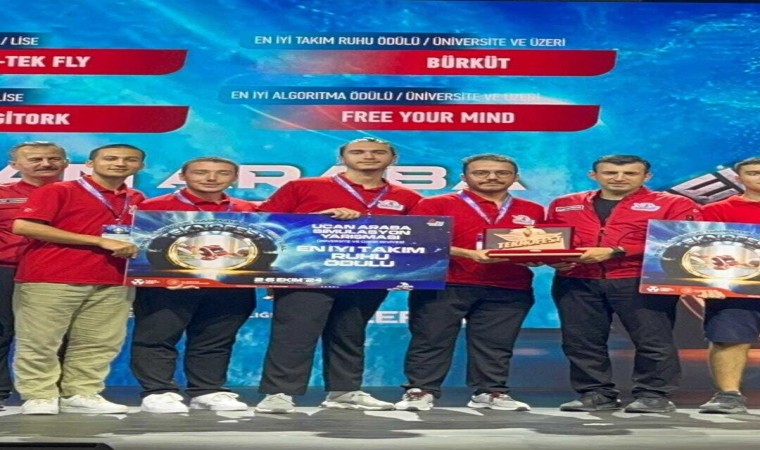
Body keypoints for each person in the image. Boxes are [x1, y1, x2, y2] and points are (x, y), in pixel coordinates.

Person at [254, 137, 422, 413]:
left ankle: (344, 392)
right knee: (295, 334)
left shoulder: (408, 197)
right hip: (305, 273)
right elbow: (264, 223)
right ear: (342, 158)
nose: (368, 156)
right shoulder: (302, 187)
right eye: (358, 152)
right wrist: (316, 219)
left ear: (393, 159)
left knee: (350, 333)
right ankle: (278, 394)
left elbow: (419, 237)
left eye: (378, 152)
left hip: (368, 276)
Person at [547, 155, 701, 413]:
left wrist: (616, 251)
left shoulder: (673, 203)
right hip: (576, 280)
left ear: (647, 176)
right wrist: (553, 260)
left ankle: (654, 395)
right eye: (610, 173)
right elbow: (550, 239)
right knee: (581, 341)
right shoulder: (564, 204)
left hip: (641, 280)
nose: (619, 178)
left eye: (630, 173)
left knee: (652, 340)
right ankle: (595, 393)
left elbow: (681, 243)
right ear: (593, 175)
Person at [394, 154, 544, 411]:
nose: (492, 177)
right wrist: (468, 254)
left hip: (509, 285)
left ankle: (490, 391)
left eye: (502, 172)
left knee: (496, 343)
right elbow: (418, 242)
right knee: (431, 339)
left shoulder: (533, 209)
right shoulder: (434, 204)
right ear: (464, 177)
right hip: (444, 282)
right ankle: (420, 391)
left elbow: (543, 245)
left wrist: (540, 258)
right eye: (481, 172)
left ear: (515, 177)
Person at [12, 144, 146, 415]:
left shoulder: (137, 197)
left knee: (99, 341)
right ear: (89, 163)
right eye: (110, 158)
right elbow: (24, 226)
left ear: (140, 166)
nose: (120, 163)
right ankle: (39, 395)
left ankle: (81, 392)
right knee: (40, 341)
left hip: (114, 278)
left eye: (129, 159)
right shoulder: (58, 190)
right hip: (52, 278)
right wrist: (97, 241)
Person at [131, 157, 257, 413]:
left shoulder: (249, 210)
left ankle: (207, 390)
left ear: (235, 178)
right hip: (167, 287)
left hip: (230, 288)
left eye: (222, 173)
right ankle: (157, 392)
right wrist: (161, 277)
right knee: (156, 338)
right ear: (182, 176)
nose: (211, 178)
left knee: (216, 340)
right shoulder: (152, 207)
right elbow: (138, 246)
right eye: (201, 172)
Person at [0, 141, 69, 410]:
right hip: (7, 270)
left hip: (59, 273)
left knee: (57, 335)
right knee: (2, 331)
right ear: (14, 165)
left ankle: (57, 392)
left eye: (53, 158)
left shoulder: (81, 195)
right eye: (35, 159)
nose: (45, 164)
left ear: (65, 163)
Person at [696, 157, 760, 414]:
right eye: (754, 173)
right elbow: (699, 250)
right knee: (728, 339)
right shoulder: (715, 211)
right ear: (737, 177)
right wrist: (702, 283)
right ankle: (728, 396)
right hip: (733, 290)